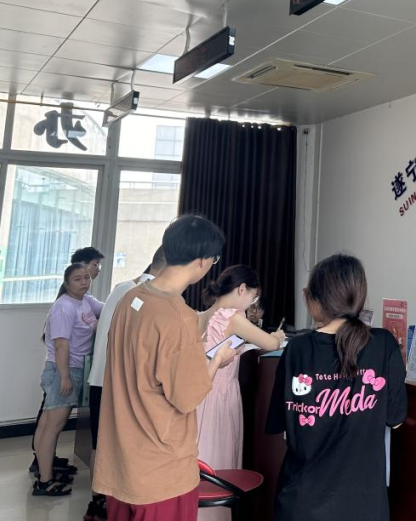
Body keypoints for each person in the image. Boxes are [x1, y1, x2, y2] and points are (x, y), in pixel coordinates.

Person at [93, 215, 238, 521]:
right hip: (160, 472)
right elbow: (187, 397)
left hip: (121, 463)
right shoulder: (177, 316)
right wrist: (216, 361)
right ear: (203, 261)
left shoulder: (131, 298)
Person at [267, 254, 406, 521]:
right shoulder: (383, 344)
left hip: (302, 505)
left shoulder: (298, 349)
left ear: (316, 299)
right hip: (364, 507)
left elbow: (283, 425)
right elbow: (395, 419)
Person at [196, 265, 285, 521]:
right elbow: (270, 343)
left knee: (201, 458)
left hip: (200, 394)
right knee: (219, 461)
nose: (251, 304)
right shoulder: (233, 317)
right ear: (242, 289)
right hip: (221, 397)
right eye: (253, 298)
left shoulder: (203, 314)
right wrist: (278, 335)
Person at [84, 247, 167, 521]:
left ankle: (98, 502)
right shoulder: (142, 293)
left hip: (102, 379)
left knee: (100, 444)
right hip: (116, 382)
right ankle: (106, 503)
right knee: (111, 446)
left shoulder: (124, 287)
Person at [29, 246, 105, 477]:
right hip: (64, 370)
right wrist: (64, 377)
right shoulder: (64, 307)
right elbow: (61, 345)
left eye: (86, 277)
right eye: (77, 279)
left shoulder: (85, 301)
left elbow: (110, 309)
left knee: (48, 424)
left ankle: (45, 472)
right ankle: (45, 479)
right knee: (52, 426)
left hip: (72, 369)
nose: (84, 282)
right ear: (67, 282)